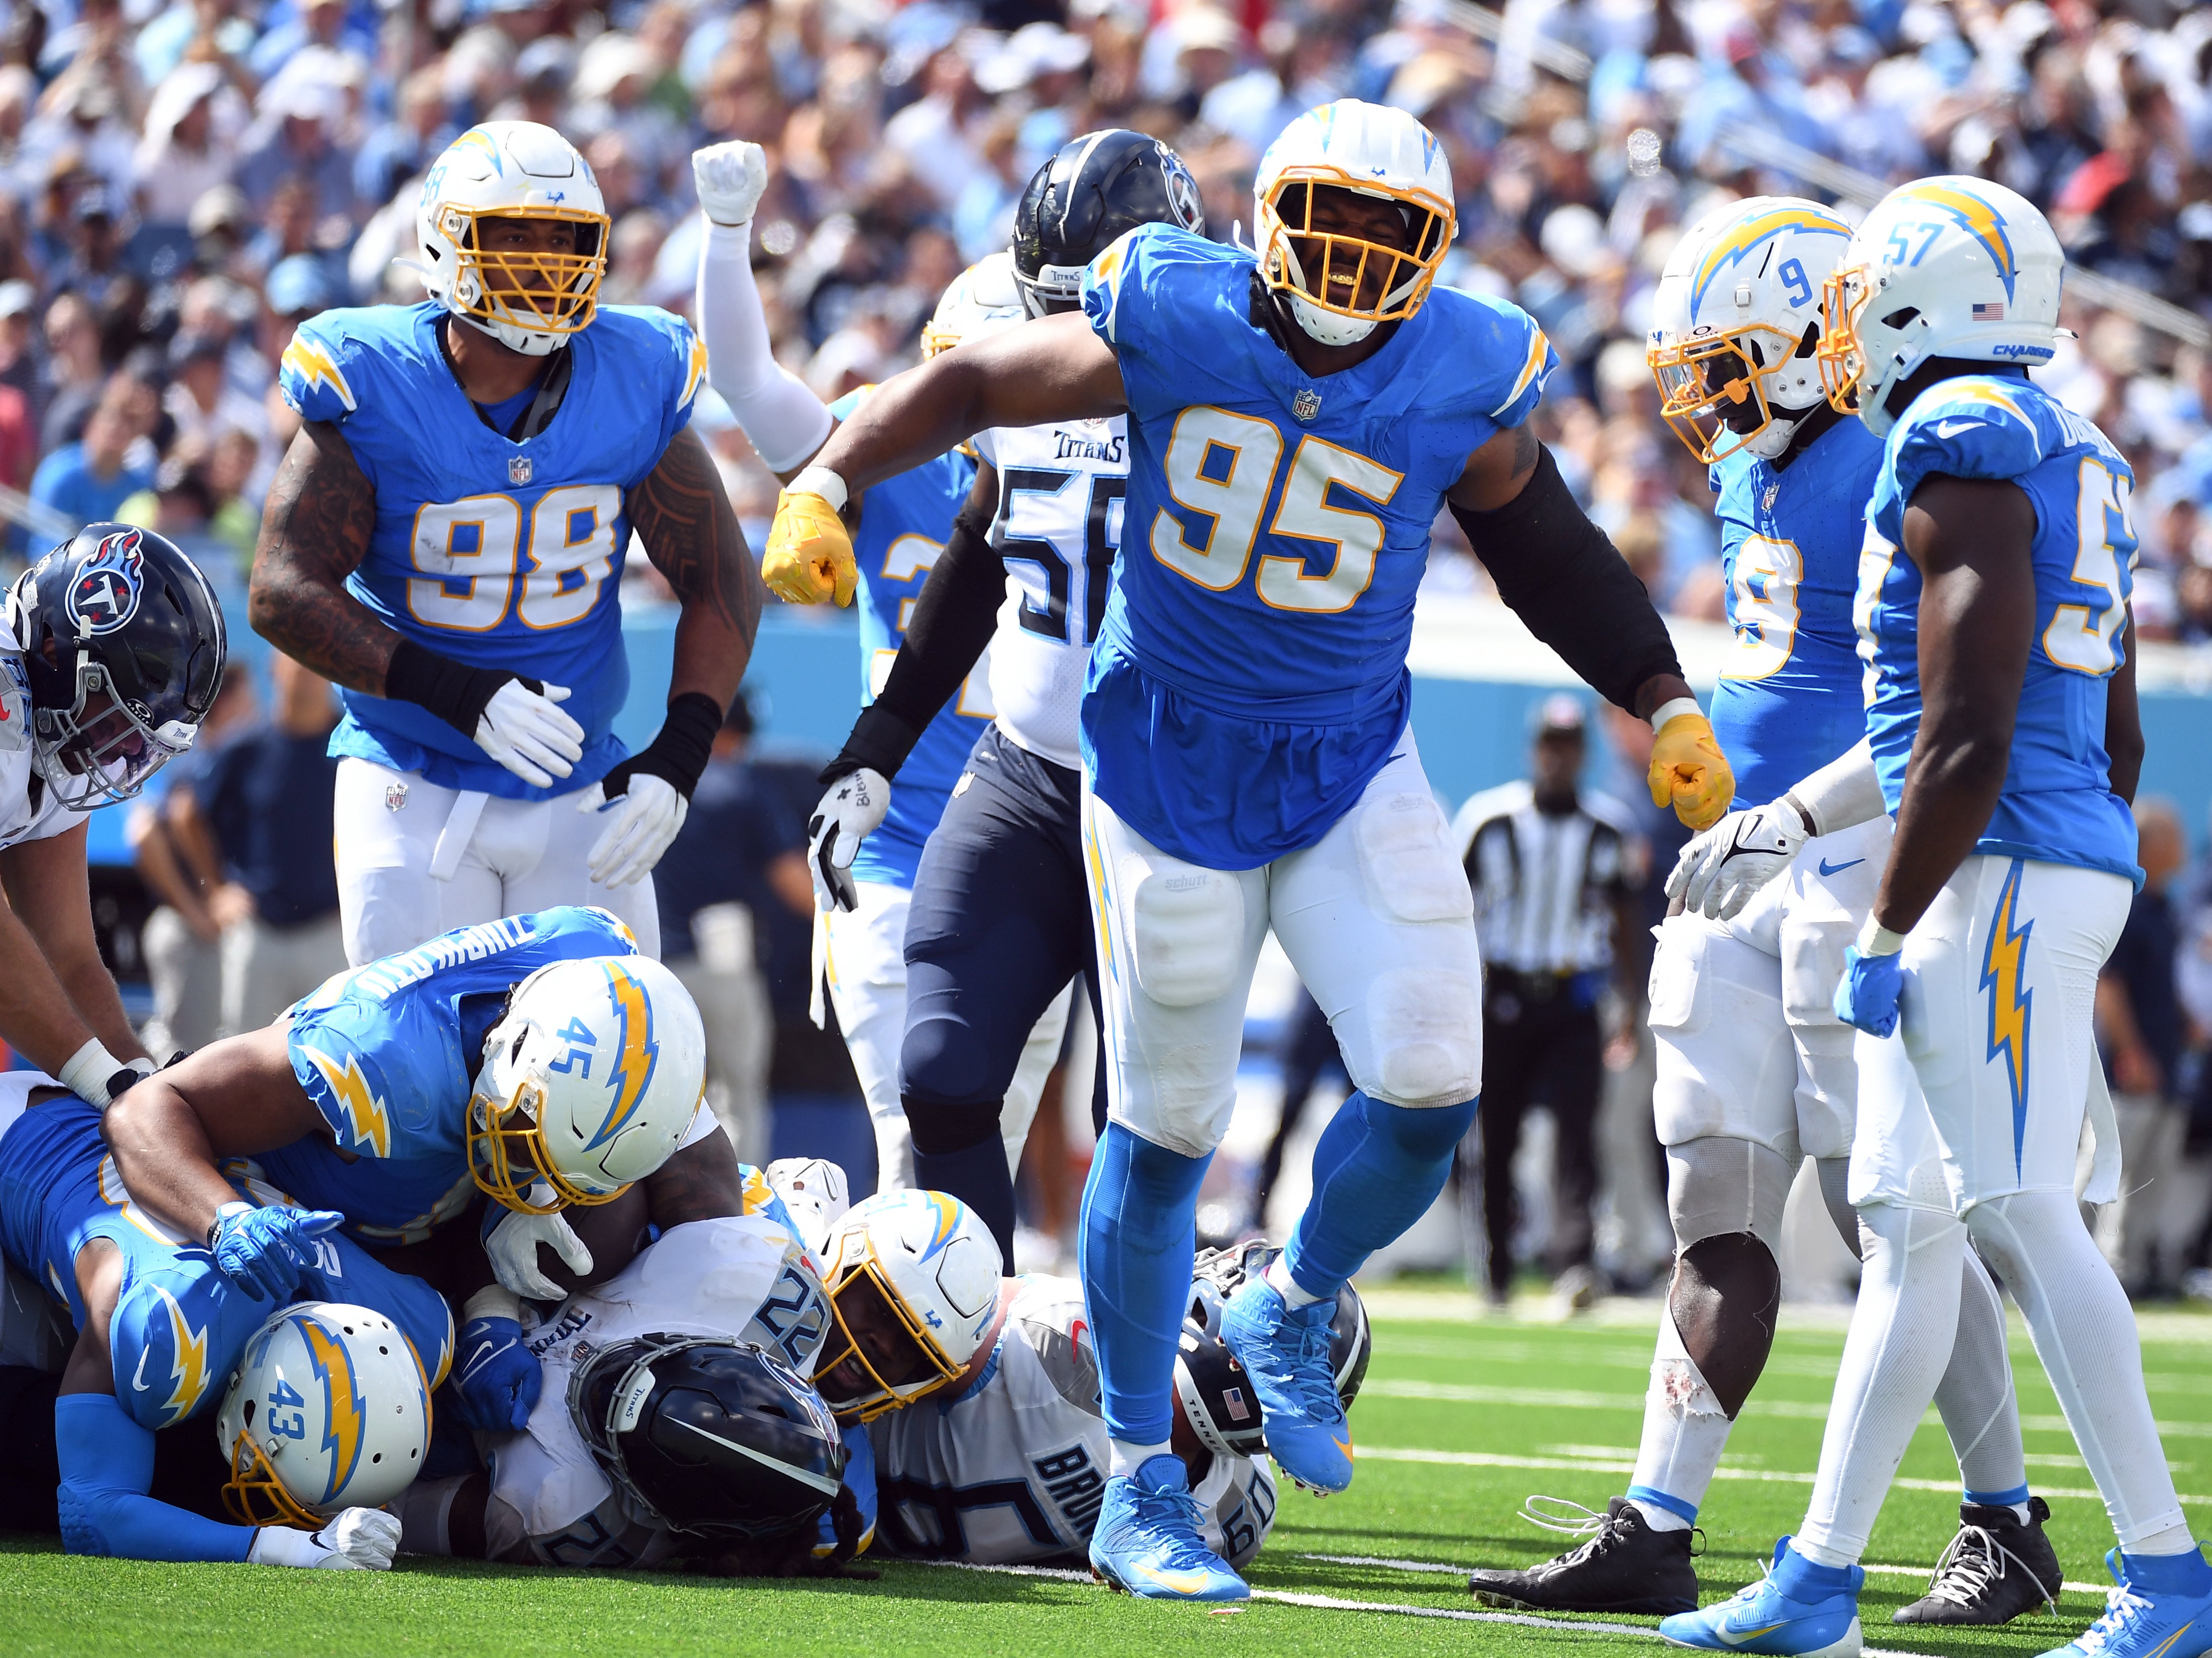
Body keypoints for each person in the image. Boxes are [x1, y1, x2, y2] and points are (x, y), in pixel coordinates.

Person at [765, 98, 1731, 1600]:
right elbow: (968, 389)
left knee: (1428, 1091)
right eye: (1327, 222)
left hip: (1351, 760)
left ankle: (1287, 1296)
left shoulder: (1458, 366)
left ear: (1434, 251)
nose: (1350, 261)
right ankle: (1137, 1484)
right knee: (1161, 1130)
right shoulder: (1176, 315)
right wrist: (824, 478)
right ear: (1266, 219)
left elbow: (1543, 542)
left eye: (1386, 233)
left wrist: (1657, 692)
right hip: (1160, 765)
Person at [1473, 196, 2054, 1629]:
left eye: (1729, 359)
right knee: (1712, 1203)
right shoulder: (1753, 465)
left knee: (1889, 1222)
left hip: (1855, 864)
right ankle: (1657, 1517)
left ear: (1812, 342)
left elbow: (1934, 708)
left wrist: (1793, 819)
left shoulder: (1895, 457)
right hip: (1732, 872)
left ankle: (2006, 1516)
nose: (1704, 391)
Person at [1660, 176, 2212, 1658]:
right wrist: (1801, 824)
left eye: (1860, 300)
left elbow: (1958, 737)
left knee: (2019, 1213)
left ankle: (2165, 1578)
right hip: (2030, 857)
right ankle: (1818, 1578)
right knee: (1912, 1223)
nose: (1844, 331)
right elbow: (2102, 730)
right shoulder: (2070, 446)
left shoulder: (1960, 440)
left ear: (1916, 303)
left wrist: (1898, 924)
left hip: (2000, 869)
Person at [789, 129, 1205, 1258]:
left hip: (1178, 800)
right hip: (1026, 773)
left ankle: (1143, 1407)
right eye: (1059, 310)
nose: (1078, 341)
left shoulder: (1236, 391)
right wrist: (876, 744)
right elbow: (982, 549)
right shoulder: (1015, 385)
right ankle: (964, 1350)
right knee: (943, 1073)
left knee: (1151, 1122)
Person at [252, 121, 761, 967]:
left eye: (564, 240)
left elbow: (721, 580)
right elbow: (281, 587)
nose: (543, 261)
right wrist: (456, 691)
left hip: (578, 781)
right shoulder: (375, 377)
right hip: (409, 779)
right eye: (514, 235)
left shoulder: (637, 372)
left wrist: (679, 754)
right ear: (448, 244)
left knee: (614, 1077)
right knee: (418, 1072)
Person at [689, 140, 1069, 1192]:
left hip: (1036, 854)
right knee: (921, 1145)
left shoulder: (1087, 470)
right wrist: (727, 238)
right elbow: (749, 383)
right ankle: (909, 1348)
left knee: (984, 1151)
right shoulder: (881, 453)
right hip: (897, 846)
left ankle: (957, 1346)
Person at [99, 905, 717, 1320]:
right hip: (316, 1212)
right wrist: (224, 1218)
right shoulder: (376, 1065)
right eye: (526, 1149)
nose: (530, 1186)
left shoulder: (600, 959)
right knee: (408, 1354)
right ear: (509, 1048)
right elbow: (145, 1107)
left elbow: (684, 1149)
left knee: (618, 1216)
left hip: (437, 1182)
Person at [0, 1069, 449, 1567]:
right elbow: (93, 1516)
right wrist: (282, 1548)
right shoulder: (165, 1330)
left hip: (121, 1135)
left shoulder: (415, 1335)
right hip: (22, 1141)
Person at [400, 1196, 863, 1571]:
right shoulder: (770, 1291)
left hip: (417, 1375)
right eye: (641, 1371)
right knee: (609, 1222)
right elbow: (668, 1139)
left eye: (609, 1424)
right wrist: (492, 1310)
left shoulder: (566, 1518)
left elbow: (394, 1514)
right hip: (516, 1213)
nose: (603, 1383)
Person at [2, 523, 226, 1107]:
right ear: (55, 649)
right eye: (121, 725)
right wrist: (106, 1081)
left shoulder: (54, 733)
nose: (127, 754)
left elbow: (69, 955)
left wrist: (143, 1078)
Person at [1453, 695, 1640, 1313]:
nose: (1558, 757)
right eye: (1550, 745)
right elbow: (1453, 913)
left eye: (1569, 746)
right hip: (1503, 994)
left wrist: (1630, 1005)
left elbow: (1622, 919)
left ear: (1582, 753)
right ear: (1536, 751)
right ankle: (1497, 1270)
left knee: (1576, 1136)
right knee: (1496, 1135)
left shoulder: (1606, 827)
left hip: (1572, 997)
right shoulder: (1491, 821)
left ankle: (1574, 1265)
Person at [649, 695, 810, 1162]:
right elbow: (793, 883)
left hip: (653, 969)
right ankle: (739, 1216)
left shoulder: (650, 781)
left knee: (659, 1102)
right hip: (721, 966)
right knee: (739, 1097)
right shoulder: (744, 787)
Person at [166, 650, 348, 1036]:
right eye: (298, 657)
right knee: (243, 1057)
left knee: (336, 1053)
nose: (307, 670)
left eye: (316, 661)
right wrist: (216, 891)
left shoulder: (354, 749)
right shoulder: (246, 748)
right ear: (275, 666)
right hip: (261, 932)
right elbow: (185, 813)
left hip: (333, 931)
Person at [2094, 798, 2195, 1293]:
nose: (2183, 847)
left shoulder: (2165, 907)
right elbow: (2108, 987)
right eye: (2172, 836)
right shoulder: (2125, 903)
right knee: (2105, 1171)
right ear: (2149, 844)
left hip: (2169, 1064)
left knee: (2150, 1179)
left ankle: (2132, 1271)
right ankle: (2076, 1263)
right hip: (2130, 1070)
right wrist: (2132, 1051)